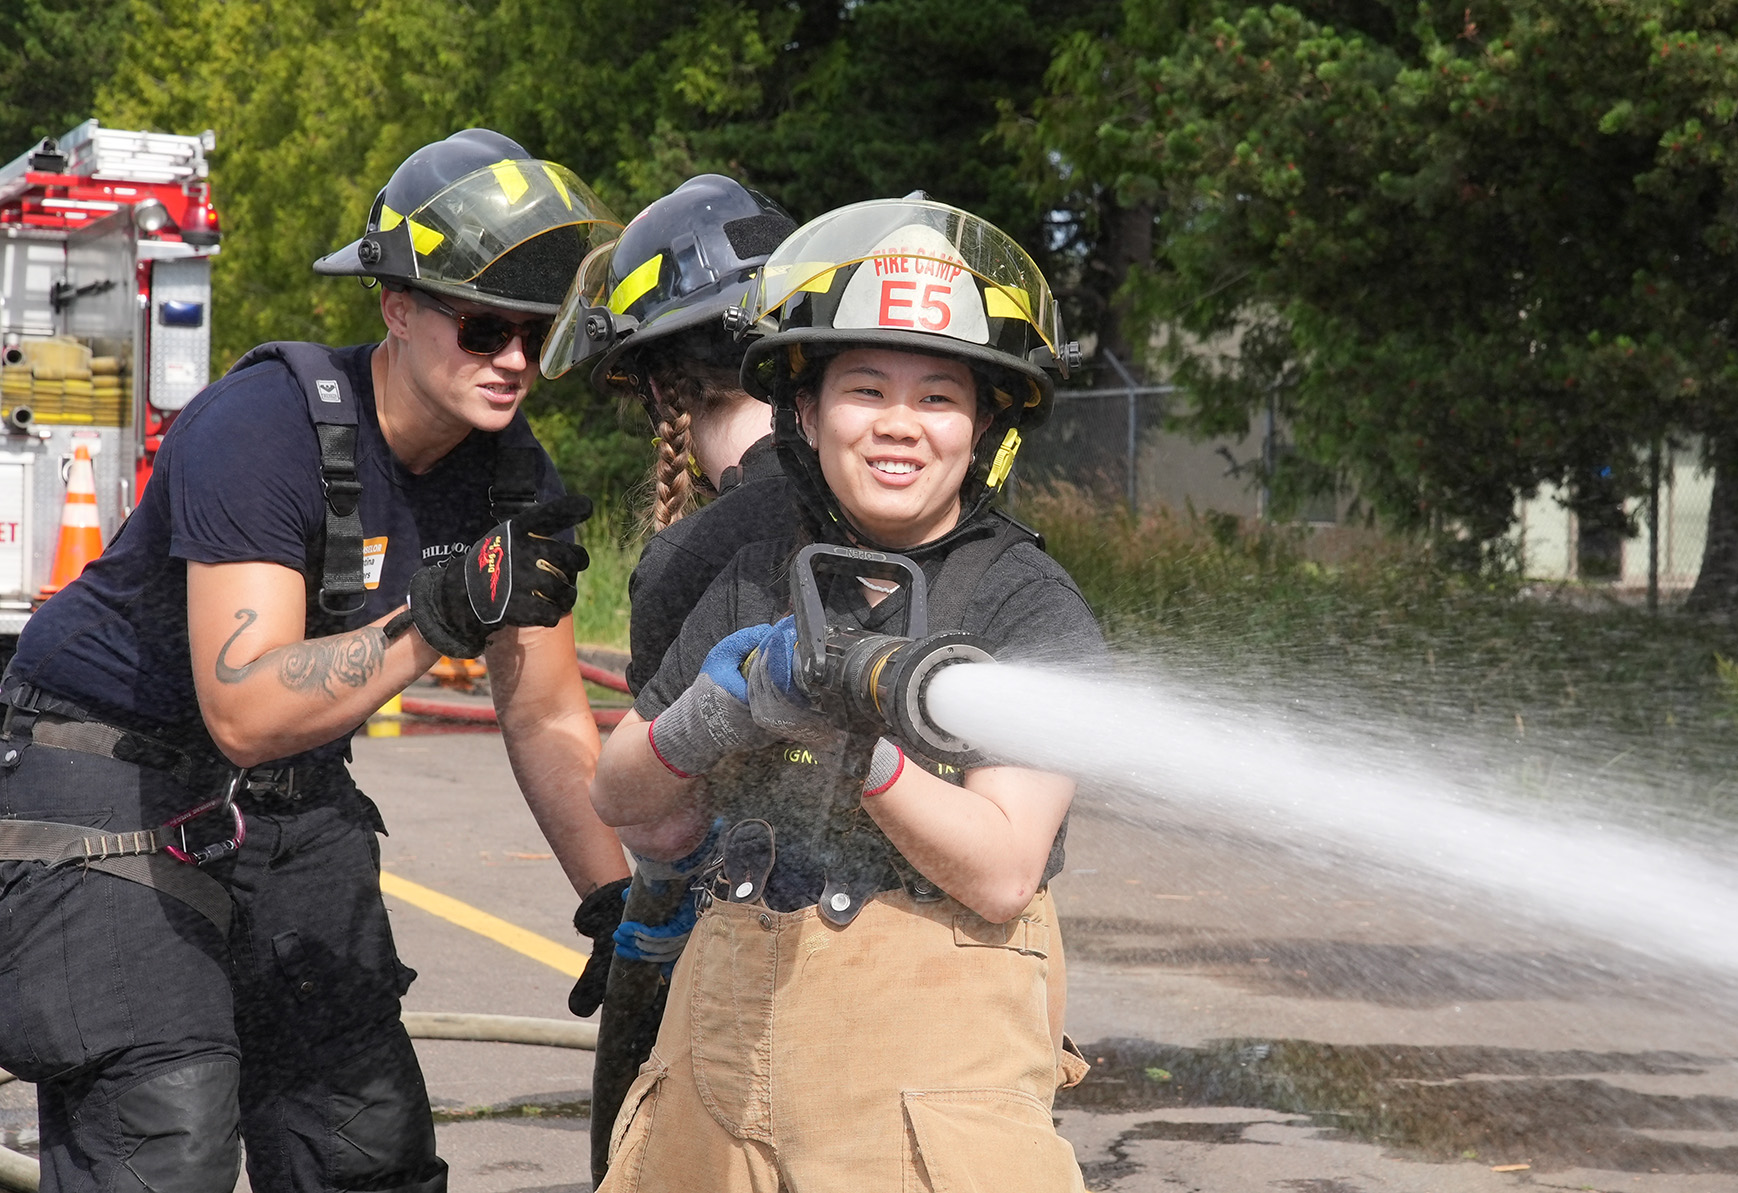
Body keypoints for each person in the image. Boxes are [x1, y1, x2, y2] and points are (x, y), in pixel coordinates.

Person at [0, 128, 630, 1193]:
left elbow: (546, 713)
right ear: (397, 307)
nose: (515, 361)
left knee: (362, 1149)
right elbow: (244, 707)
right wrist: (437, 616)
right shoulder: (262, 428)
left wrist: (615, 901)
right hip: (105, 772)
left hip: (289, 796)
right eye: (484, 327)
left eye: (537, 331)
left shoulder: (511, 477)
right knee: (167, 1135)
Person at [588, 198, 1100, 1192]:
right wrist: (713, 714)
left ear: (985, 427)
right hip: (722, 1036)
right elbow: (621, 794)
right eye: (866, 388)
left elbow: (1003, 870)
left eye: (938, 396)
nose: (899, 424)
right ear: (807, 412)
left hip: (927, 1053)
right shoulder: (750, 571)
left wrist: (866, 751)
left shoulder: (1025, 605)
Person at [539, 173, 799, 1179]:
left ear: (661, 389)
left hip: (746, 979)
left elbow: (663, 822)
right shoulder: (912, 509)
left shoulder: (696, 555)